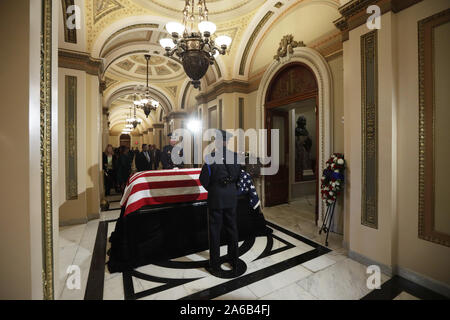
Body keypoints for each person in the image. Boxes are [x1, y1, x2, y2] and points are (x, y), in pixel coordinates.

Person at [199, 129, 241, 276]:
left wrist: (214, 188)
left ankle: (215, 264)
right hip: (231, 197)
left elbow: (203, 180)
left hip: (216, 198)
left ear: (217, 142)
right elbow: (238, 177)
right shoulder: (235, 157)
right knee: (232, 229)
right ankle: (234, 260)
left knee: (215, 231)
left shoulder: (210, 158)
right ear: (227, 141)